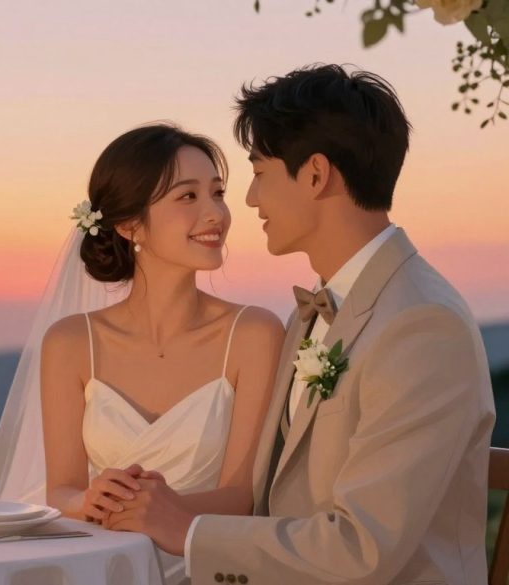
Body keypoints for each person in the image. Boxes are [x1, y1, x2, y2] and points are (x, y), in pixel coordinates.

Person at [104, 64, 496, 585]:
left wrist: (187, 529)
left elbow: (362, 548)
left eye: (259, 173)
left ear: (315, 175)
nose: (249, 199)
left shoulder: (422, 326)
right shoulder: (311, 312)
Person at [0, 122, 285, 583]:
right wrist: (88, 500)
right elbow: (62, 489)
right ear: (129, 225)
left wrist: (156, 511)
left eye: (217, 193)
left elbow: (241, 496)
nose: (216, 214)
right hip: (102, 566)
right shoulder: (70, 342)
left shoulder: (254, 333)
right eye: (188, 196)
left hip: (204, 568)